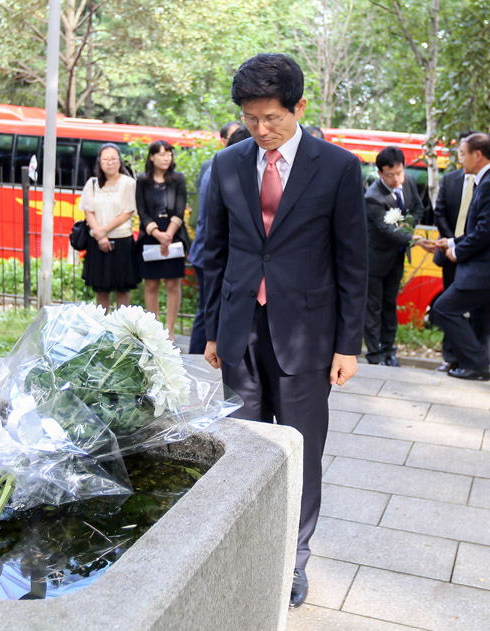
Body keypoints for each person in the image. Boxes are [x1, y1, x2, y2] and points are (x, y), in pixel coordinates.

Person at [203, 53, 368, 609]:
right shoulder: (226, 165)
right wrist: (207, 330)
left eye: (272, 117)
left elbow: (352, 262)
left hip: (308, 338)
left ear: (299, 106)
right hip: (238, 333)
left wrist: (348, 343)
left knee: (300, 451)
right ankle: (243, 549)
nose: (261, 130)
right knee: (242, 452)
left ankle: (292, 562)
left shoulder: (338, 168)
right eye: (250, 119)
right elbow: (214, 253)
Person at [363, 146, 432, 366]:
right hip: (375, 259)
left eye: (399, 173)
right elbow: (386, 229)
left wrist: (408, 224)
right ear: (380, 173)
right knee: (373, 306)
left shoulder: (409, 182)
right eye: (390, 175)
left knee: (390, 302)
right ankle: (374, 354)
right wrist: (415, 238)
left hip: (397, 256)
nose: (396, 179)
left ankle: (389, 349)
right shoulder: (373, 197)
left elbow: (419, 208)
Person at [431, 132, 490, 380]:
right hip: (480, 269)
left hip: (481, 269)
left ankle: (478, 363)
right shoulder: (483, 181)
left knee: (443, 309)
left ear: (477, 155)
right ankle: (479, 363)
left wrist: (456, 251)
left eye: (463, 154)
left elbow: (485, 231)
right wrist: (452, 241)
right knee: (481, 318)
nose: (460, 159)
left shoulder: (487, 184)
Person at [188, 126, 252, 354]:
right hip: (211, 253)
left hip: (203, 251)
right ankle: (197, 355)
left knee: (206, 309)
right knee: (208, 311)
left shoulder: (213, 165)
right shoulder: (226, 169)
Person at [136, 140, 188, 340]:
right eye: (162, 154)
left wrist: (168, 235)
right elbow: (141, 211)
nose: (167, 158)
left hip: (173, 233)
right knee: (151, 284)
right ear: (151, 157)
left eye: (169, 154)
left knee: (173, 283)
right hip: (151, 234)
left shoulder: (178, 179)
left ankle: (170, 330)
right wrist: (157, 234)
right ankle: (154, 329)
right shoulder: (142, 180)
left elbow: (180, 210)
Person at [80, 143, 140, 312]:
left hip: (122, 241)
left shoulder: (128, 183)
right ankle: (103, 327)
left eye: (114, 159)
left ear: (120, 161)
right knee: (101, 288)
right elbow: (88, 211)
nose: (110, 163)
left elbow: (127, 212)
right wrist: (100, 236)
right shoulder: (92, 184)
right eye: (106, 159)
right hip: (98, 242)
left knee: (123, 288)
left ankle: (122, 327)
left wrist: (103, 231)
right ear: (99, 162)